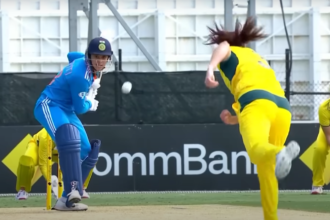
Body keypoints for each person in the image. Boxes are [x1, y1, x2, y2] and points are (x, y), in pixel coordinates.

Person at [204, 17, 300, 220]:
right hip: (282, 108)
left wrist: (211, 68)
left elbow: (223, 46)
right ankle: (271, 217)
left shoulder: (230, 52)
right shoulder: (255, 57)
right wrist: (233, 119)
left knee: (258, 151)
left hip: (256, 102)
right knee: (267, 168)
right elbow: (258, 98)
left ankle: (278, 152)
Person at [34, 37, 112, 211]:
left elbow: (72, 55)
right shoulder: (80, 77)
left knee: (86, 151)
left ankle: (65, 200)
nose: (100, 61)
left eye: (104, 57)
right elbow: (80, 108)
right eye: (96, 56)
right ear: (89, 56)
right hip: (49, 104)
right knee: (68, 139)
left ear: (108, 58)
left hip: (65, 109)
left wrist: (92, 82)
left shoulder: (81, 62)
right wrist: (90, 102)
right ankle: (73, 191)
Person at [15, 128, 94, 200]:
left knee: (87, 159)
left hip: (57, 152)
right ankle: (22, 190)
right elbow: (43, 163)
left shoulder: (74, 135)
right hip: (38, 147)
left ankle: (81, 188)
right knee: (26, 160)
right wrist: (50, 181)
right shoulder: (45, 136)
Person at [310, 98, 330, 194]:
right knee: (319, 149)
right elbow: (328, 136)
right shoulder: (324, 108)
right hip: (328, 131)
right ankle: (317, 185)